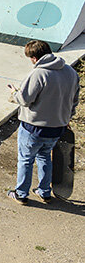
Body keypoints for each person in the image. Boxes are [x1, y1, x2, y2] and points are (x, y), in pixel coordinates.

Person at [7, 40, 79, 203]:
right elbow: (74, 100)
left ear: (34, 58)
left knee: (25, 160)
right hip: (57, 127)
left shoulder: (38, 74)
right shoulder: (71, 72)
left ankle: (21, 194)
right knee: (45, 156)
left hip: (33, 128)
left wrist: (14, 93)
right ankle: (44, 191)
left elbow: (25, 99)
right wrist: (67, 118)